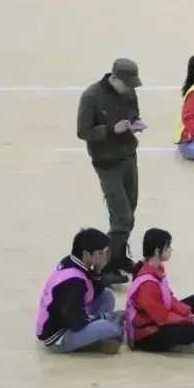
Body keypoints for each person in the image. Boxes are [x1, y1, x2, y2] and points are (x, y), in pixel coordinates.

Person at [76, 58, 146, 284]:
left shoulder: (129, 92)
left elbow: (134, 114)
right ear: (114, 78)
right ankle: (104, 267)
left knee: (129, 211)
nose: (130, 89)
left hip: (129, 157)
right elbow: (83, 131)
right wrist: (109, 129)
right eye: (127, 84)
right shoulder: (91, 96)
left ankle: (118, 256)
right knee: (122, 217)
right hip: (107, 163)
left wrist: (136, 123)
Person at [36, 228, 124, 354]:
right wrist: (102, 318)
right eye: (101, 253)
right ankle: (94, 343)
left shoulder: (74, 261)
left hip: (71, 318)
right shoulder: (73, 281)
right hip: (59, 335)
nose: (105, 257)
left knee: (107, 296)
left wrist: (98, 270)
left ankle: (97, 336)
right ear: (86, 254)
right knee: (109, 329)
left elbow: (94, 291)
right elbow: (76, 320)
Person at [126, 228, 194, 353]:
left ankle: (183, 338)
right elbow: (162, 318)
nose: (171, 249)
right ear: (157, 251)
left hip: (159, 316)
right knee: (191, 330)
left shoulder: (156, 269)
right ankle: (175, 346)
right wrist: (188, 319)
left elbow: (169, 299)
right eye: (168, 246)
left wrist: (188, 313)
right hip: (146, 333)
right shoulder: (147, 284)